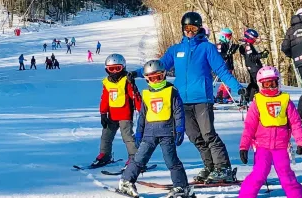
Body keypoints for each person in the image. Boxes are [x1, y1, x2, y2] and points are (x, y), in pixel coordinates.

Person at [129, 12, 245, 183]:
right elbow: (158, 67)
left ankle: (223, 167)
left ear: (199, 29)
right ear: (182, 29)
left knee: (208, 134)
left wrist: (238, 88)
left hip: (202, 99)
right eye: (186, 28)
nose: (190, 31)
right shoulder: (176, 50)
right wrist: (136, 73)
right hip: (181, 100)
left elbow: (221, 71)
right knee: (194, 136)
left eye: (193, 28)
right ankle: (210, 167)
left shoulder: (207, 48)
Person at [119, 60, 193, 198]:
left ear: (164, 75)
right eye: (152, 79)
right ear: (147, 79)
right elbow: (142, 115)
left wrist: (180, 129)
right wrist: (139, 132)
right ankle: (127, 181)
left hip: (167, 133)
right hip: (149, 133)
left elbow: (178, 112)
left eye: (158, 77)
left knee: (171, 160)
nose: (156, 81)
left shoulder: (171, 91)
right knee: (139, 158)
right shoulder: (146, 94)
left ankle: (182, 187)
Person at [239, 66, 302, 198]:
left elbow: (295, 123)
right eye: (267, 84)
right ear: (260, 84)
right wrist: (244, 147)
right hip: (262, 147)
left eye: (273, 84)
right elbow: (249, 127)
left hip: (281, 147)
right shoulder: (258, 102)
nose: (270, 88)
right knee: (259, 174)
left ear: (278, 83)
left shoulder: (285, 101)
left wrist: (301, 142)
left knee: (286, 175)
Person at [94, 54, 141, 168]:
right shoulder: (107, 82)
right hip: (111, 115)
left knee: (128, 137)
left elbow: (135, 96)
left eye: (118, 68)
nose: (115, 71)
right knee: (106, 136)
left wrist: (141, 110)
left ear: (123, 67)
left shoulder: (126, 80)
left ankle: (134, 157)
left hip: (125, 114)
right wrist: (103, 113)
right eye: (111, 69)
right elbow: (105, 98)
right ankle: (105, 154)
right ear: (107, 70)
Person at [238, 29, 269, 104]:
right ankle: (251, 99)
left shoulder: (247, 45)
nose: (255, 40)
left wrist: (261, 54)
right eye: (254, 38)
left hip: (253, 66)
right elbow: (251, 57)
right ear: (250, 37)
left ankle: (246, 96)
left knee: (253, 83)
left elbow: (252, 56)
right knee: (257, 83)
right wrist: (261, 55)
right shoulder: (247, 45)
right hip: (254, 67)